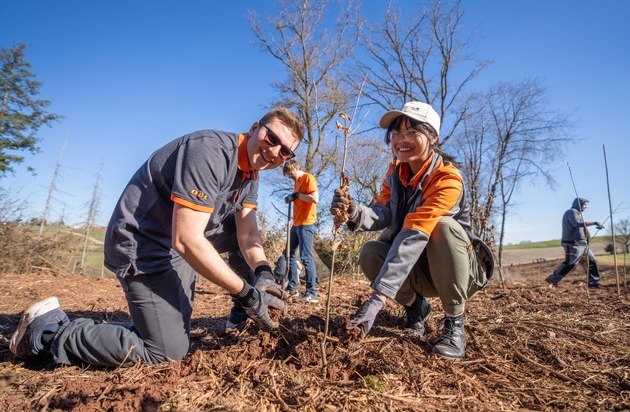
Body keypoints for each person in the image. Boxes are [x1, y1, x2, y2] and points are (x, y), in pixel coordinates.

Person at [10, 107, 304, 367]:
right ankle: (51, 332)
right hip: (142, 244)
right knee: (167, 350)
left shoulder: (251, 173)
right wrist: (246, 292)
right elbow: (187, 240)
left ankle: (243, 318)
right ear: (254, 128)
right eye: (272, 138)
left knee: (236, 236)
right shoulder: (211, 151)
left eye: (285, 151)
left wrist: (263, 273)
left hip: (177, 237)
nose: (275, 151)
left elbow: (248, 232)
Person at [330, 101, 494, 360]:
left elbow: (415, 232)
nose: (401, 140)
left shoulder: (447, 179)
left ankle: (454, 324)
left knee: (442, 227)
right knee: (371, 252)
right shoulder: (395, 171)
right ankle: (417, 308)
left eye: (411, 133)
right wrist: (352, 211)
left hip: (460, 271)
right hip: (421, 269)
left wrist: (377, 300)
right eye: (396, 134)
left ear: (433, 136)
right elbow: (382, 210)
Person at [282, 159, 319, 303]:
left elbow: (314, 198)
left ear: (296, 167)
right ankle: (293, 288)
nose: (289, 176)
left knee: (306, 257)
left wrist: (297, 195)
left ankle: (311, 293)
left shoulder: (308, 178)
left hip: (307, 224)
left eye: (289, 172)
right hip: (296, 224)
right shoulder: (296, 182)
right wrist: (292, 197)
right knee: (288, 253)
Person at [545, 198, 604, 288]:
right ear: (578, 203)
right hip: (573, 244)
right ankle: (552, 279)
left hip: (582, 244)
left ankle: (593, 282)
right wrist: (594, 222)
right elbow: (577, 224)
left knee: (591, 261)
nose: (586, 207)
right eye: (584, 204)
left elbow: (581, 227)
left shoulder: (578, 214)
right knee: (570, 263)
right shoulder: (571, 212)